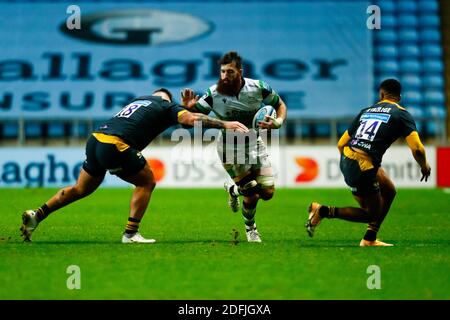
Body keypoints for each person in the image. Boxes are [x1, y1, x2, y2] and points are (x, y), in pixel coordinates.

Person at [20, 88, 249, 243]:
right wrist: (224, 124)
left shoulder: (139, 101)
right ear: (168, 98)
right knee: (147, 181)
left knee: (81, 189)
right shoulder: (166, 105)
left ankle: (37, 215)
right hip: (115, 145)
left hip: (96, 140)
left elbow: (182, 117)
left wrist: (186, 109)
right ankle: (131, 234)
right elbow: (190, 120)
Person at [305, 79, 431, 246]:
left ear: (381, 94)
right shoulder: (401, 114)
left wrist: (347, 163)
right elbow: (418, 149)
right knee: (370, 214)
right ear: (399, 97)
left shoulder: (366, 111)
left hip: (351, 157)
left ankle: (370, 238)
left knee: (389, 190)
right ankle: (322, 211)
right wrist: (424, 166)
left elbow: (341, 144)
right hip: (363, 165)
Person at [181, 51, 287, 242]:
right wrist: (189, 108)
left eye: (229, 72)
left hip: (255, 144)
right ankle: (250, 229)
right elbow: (191, 120)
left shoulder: (259, 87)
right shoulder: (213, 94)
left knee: (268, 193)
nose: (225, 76)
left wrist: (278, 121)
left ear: (240, 71)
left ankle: (232, 189)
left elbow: (280, 104)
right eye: (222, 72)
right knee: (251, 192)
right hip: (229, 148)